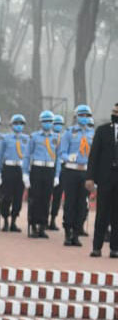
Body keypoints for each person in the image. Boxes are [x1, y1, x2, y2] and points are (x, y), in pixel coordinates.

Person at [58, 105, 93, 247]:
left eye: (86, 115)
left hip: (85, 172)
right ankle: (68, 232)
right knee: (70, 203)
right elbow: (62, 153)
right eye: (81, 115)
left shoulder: (92, 134)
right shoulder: (69, 133)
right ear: (76, 117)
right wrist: (70, 158)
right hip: (71, 170)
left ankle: (77, 233)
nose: (84, 118)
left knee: (82, 204)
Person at [86, 102, 118, 258]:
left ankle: (115, 248)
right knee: (102, 213)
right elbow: (93, 156)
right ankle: (97, 247)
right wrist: (90, 177)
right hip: (104, 178)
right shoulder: (102, 131)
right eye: (114, 111)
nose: (115, 114)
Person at [25, 110, 58, 239]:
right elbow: (27, 155)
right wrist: (25, 174)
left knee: (46, 199)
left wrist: (57, 175)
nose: (47, 123)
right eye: (45, 121)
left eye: (50, 121)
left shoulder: (56, 137)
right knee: (35, 198)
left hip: (49, 169)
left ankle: (42, 226)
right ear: (41, 122)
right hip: (37, 169)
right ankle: (33, 224)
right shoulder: (34, 136)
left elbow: (59, 157)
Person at [0, 114, 30, 233]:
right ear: (11, 125)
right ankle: (5, 219)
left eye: (21, 124)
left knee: (18, 197)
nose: (19, 126)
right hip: (8, 168)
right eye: (16, 123)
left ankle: (14, 221)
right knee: (6, 196)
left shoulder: (27, 139)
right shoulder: (6, 138)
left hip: (20, 169)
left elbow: (28, 157)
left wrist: (27, 173)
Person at [48, 114, 67, 231]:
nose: (58, 126)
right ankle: (43, 219)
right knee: (45, 195)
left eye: (60, 124)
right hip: (50, 167)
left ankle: (53, 220)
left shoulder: (65, 137)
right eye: (56, 124)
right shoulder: (48, 136)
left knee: (57, 197)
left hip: (62, 169)